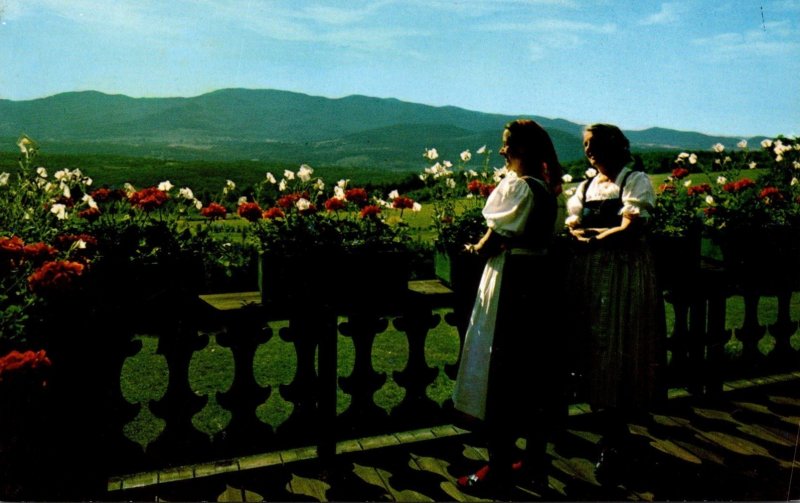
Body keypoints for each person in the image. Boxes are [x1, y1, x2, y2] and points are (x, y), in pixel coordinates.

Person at [452, 119, 567, 493]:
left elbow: (495, 237)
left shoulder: (518, 187)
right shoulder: (547, 189)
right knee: (532, 375)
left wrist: (473, 250)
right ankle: (533, 462)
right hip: (539, 284)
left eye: (506, 145)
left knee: (499, 371)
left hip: (513, 283)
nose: (502, 151)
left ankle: (499, 468)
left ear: (521, 149)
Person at [565, 123, 667, 480]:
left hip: (624, 274)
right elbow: (573, 223)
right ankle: (611, 432)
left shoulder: (634, 180)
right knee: (595, 348)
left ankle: (615, 437)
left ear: (613, 146)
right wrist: (579, 233)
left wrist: (596, 238)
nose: (589, 151)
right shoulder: (585, 185)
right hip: (592, 275)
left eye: (594, 144)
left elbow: (632, 227)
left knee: (619, 346)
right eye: (586, 145)